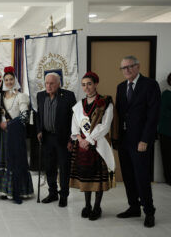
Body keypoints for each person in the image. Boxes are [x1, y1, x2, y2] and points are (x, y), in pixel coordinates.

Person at [115, 56, 161, 228]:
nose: (126, 70)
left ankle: (149, 211)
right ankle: (134, 207)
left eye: (130, 66)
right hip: (124, 140)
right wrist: (116, 139)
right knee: (128, 176)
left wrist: (145, 139)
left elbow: (153, 115)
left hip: (140, 141)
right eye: (123, 68)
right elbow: (119, 115)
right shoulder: (121, 87)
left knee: (141, 176)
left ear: (137, 66)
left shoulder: (150, 85)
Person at [69, 72, 116, 221]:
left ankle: (97, 207)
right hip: (82, 147)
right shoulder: (78, 105)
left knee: (98, 178)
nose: (86, 87)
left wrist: (88, 139)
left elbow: (105, 126)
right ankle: (87, 205)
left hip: (98, 145)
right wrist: (79, 138)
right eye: (83, 85)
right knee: (86, 176)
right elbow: (74, 126)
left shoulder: (105, 102)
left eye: (89, 84)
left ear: (96, 84)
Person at [0, 66, 34, 204]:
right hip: (3, 135)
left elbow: (24, 116)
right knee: (4, 160)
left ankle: (18, 190)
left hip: (16, 134)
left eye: (11, 79)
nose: (9, 82)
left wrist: (9, 124)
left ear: (15, 80)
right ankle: (4, 190)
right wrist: (2, 124)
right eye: (6, 79)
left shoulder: (21, 96)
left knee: (16, 161)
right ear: (3, 81)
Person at [36, 72, 76, 207]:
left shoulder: (68, 96)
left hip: (63, 138)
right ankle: (52, 193)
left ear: (59, 84)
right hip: (47, 137)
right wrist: (39, 130)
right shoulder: (40, 96)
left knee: (64, 168)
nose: (48, 86)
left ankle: (63, 195)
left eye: (51, 83)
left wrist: (72, 139)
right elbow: (38, 116)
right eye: (46, 83)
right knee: (49, 167)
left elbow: (74, 119)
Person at [158, 73, 171, 185]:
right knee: (167, 156)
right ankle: (169, 179)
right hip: (166, 131)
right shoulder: (166, 94)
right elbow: (163, 112)